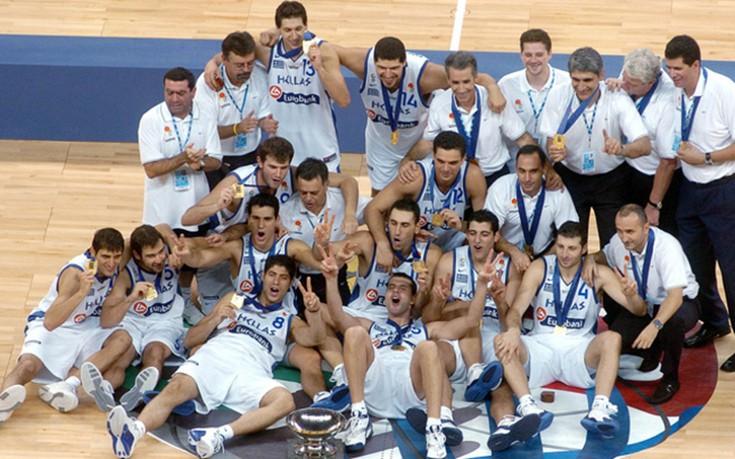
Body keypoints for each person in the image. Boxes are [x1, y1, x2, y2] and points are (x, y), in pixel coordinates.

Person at [105, 256, 326, 459]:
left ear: (289, 284)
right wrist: (215, 318)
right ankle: (133, 431)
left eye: (283, 278)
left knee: (284, 401)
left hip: (251, 369)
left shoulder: (288, 318)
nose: (276, 282)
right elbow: (190, 340)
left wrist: (314, 312)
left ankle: (217, 435)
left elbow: (314, 338)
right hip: (216, 355)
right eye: (272, 275)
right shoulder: (236, 299)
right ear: (263, 276)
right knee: (174, 389)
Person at [319, 243, 505, 459]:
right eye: (391, 287)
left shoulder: (426, 328)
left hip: (412, 391)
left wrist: (481, 285)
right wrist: (331, 280)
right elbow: (337, 316)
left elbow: (471, 321)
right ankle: (359, 416)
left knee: (428, 346)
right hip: (374, 388)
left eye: (402, 288)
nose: (395, 291)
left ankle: (434, 428)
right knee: (353, 333)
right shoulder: (371, 325)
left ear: (413, 299)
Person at [493, 221, 647, 442]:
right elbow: (516, 309)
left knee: (612, 338)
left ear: (584, 249)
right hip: (541, 346)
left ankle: (600, 409)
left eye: (572, 248)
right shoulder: (540, 267)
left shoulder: (598, 273)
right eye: (561, 247)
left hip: (579, 349)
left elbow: (640, 310)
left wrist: (632, 295)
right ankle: (528, 407)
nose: (565, 254)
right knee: (502, 339)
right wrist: (514, 330)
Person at [175, 193, 331, 398]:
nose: (261, 225)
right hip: (243, 312)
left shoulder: (290, 245)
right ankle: (188, 387)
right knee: (199, 345)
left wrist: (322, 245)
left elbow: (318, 261)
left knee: (311, 356)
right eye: (256, 218)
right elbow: (202, 258)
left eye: (267, 219)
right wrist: (187, 255)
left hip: (281, 320)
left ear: (276, 220)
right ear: (248, 220)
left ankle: (324, 399)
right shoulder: (237, 247)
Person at [333, 36, 506, 195]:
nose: (388, 74)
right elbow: (329, 49)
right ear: (374, 63)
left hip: (419, 144)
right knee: (379, 196)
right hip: (382, 145)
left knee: (417, 196)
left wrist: (492, 87)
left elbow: (469, 77)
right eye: (382, 68)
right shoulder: (363, 64)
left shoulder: (425, 74)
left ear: (404, 63)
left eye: (394, 68)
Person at [427, 210, 540, 451]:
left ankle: (506, 424)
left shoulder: (508, 267)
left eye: (484, 234)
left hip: (490, 333)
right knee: (436, 356)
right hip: (457, 334)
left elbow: (509, 320)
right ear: (466, 235)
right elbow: (432, 317)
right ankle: (444, 417)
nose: (477, 240)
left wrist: (499, 301)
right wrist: (439, 301)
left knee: (502, 374)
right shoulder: (449, 261)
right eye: (472, 233)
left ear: (496, 237)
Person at [0, 228, 129, 422]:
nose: (111, 263)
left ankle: (66, 385)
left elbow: (148, 234)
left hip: (84, 325)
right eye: (105, 257)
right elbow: (51, 321)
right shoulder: (75, 273)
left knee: (122, 339)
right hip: (54, 324)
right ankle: (2, 404)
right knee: (28, 366)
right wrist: (81, 293)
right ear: (93, 251)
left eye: (116, 256)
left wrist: (173, 246)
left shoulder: (120, 258)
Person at [204, 1, 349, 170]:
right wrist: (211, 64)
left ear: (306, 26)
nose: (294, 36)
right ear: (279, 29)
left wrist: (319, 68)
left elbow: (343, 100)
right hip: (282, 154)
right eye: (287, 30)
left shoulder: (324, 51)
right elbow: (232, 53)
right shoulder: (268, 52)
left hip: (320, 150)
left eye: (298, 29)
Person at [663, 36, 735, 372]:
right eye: (669, 68)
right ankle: (715, 322)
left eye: (678, 69)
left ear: (696, 64)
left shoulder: (724, 91)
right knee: (696, 266)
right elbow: (636, 77)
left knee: (731, 269)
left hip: (723, 191)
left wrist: (704, 157)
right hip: (690, 191)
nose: (672, 75)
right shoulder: (674, 89)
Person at [584, 204, 699, 403]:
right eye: (619, 230)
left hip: (678, 304)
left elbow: (675, 297)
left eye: (630, 231)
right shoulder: (619, 242)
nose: (624, 237)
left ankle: (670, 378)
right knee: (618, 334)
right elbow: (603, 255)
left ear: (646, 228)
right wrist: (589, 259)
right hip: (644, 304)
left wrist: (654, 326)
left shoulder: (667, 247)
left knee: (672, 323)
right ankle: (648, 349)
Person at [539, 47, 651, 246]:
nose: (581, 87)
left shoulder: (617, 97)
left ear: (601, 75)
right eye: (576, 80)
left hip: (611, 182)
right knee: (570, 243)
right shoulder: (558, 95)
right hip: (571, 178)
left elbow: (644, 145)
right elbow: (549, 138)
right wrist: (554, 150)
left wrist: (622, 149)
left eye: (588, 80)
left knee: (613, 244)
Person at [80, 225, 187, 413]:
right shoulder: (124, 275)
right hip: (134, 321)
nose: (159, 259)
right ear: (137, 255)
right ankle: (106, 389)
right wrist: (131, 298)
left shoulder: (172, 257)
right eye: (151, 256)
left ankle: (140, 392)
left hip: (166, 320)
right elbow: (107, 320)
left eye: (160, 252)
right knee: (122, 359)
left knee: (155, 353)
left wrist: (173, 247)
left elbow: (162, 227)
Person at [366, 131, 486, 259]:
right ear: (433, 155)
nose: (445, 169)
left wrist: (461, 225)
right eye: (440, 161)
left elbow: (484, 226)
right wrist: (383, 244)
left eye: (453, 163)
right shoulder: (415, 176)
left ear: (463, 160)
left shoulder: (473, 177)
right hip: (417, 244)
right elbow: (372, 209)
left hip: (454, 243)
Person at [422, 51, 535, 188]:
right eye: (455, 83)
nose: (461, 89)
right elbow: (428, 142)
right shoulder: (439, 103)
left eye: (466, 82)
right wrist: (408, 159)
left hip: (494, 175)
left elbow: (522, 138)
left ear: (476, 78)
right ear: (448, 81)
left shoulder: (495, 100)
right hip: (457, 177)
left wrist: (546, 169)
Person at [318, 198, 442, 322]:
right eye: (393, 223)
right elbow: (321, 254)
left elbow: (417, 312)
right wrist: (323, 244)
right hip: (359, 317)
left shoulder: (430, 255)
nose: (397, 232)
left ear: (416, 227)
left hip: (399, 324)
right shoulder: (367, 242)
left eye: (404, 225)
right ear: (386, 223)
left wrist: (422, 292)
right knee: (315, 310)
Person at [139, 67, 222, 234]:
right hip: (161, 213)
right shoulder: (150, 119)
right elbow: (151, 170)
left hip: (196, 210)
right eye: (169, 93)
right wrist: (184, 158)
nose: (174, 99)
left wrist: (200, 163)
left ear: (193, 92)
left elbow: (216, 160)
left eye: (181, 93)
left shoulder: (206, 116)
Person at [607, 48, 680, 236]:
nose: (624, 84)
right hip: (627, 169)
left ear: (650, 83)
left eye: (631, 84)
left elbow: (668, 162)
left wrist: (654, 204)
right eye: (624, 78)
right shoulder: (632, 72)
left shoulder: (669, 103)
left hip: (655, 178)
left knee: (657, 234)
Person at [280, 158, 370, 302]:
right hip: (303, 278)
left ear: (327, 185)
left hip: (337, 274)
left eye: (314, 193)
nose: (308, 198)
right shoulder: (286, 212)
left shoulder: (342, 200)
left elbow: (376, 210)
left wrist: (350, 214)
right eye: (303, 192)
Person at [194, 31, 276, 182]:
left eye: (250, 63)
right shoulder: (208, 84)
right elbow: (204, 131)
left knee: (244, 195)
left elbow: (262, 114)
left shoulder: (260, 75)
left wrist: (264, 123)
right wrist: (236, 129)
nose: (246, 69)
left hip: (250, 155)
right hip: (216, 158)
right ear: (224, 60)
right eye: (239, 65)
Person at [485, 144, 578, 272]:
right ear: (516, 169)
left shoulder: (557, 190)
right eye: (522, 171)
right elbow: (488, 232)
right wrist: (513, 252)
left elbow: (571, 234)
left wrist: (541, 262)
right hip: (506, 256)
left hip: (545, 256)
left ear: (544, 169)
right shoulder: (500, 188)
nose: (527, 178)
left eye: (533, 171)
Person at [498, 29, 571, 151]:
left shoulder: (567, 82)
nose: (533, 60)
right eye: (528, 55)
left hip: (557, 154)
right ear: (521, 55)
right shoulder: (506, 85)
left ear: (549, 54)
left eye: (539, 55)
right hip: (518, 156)